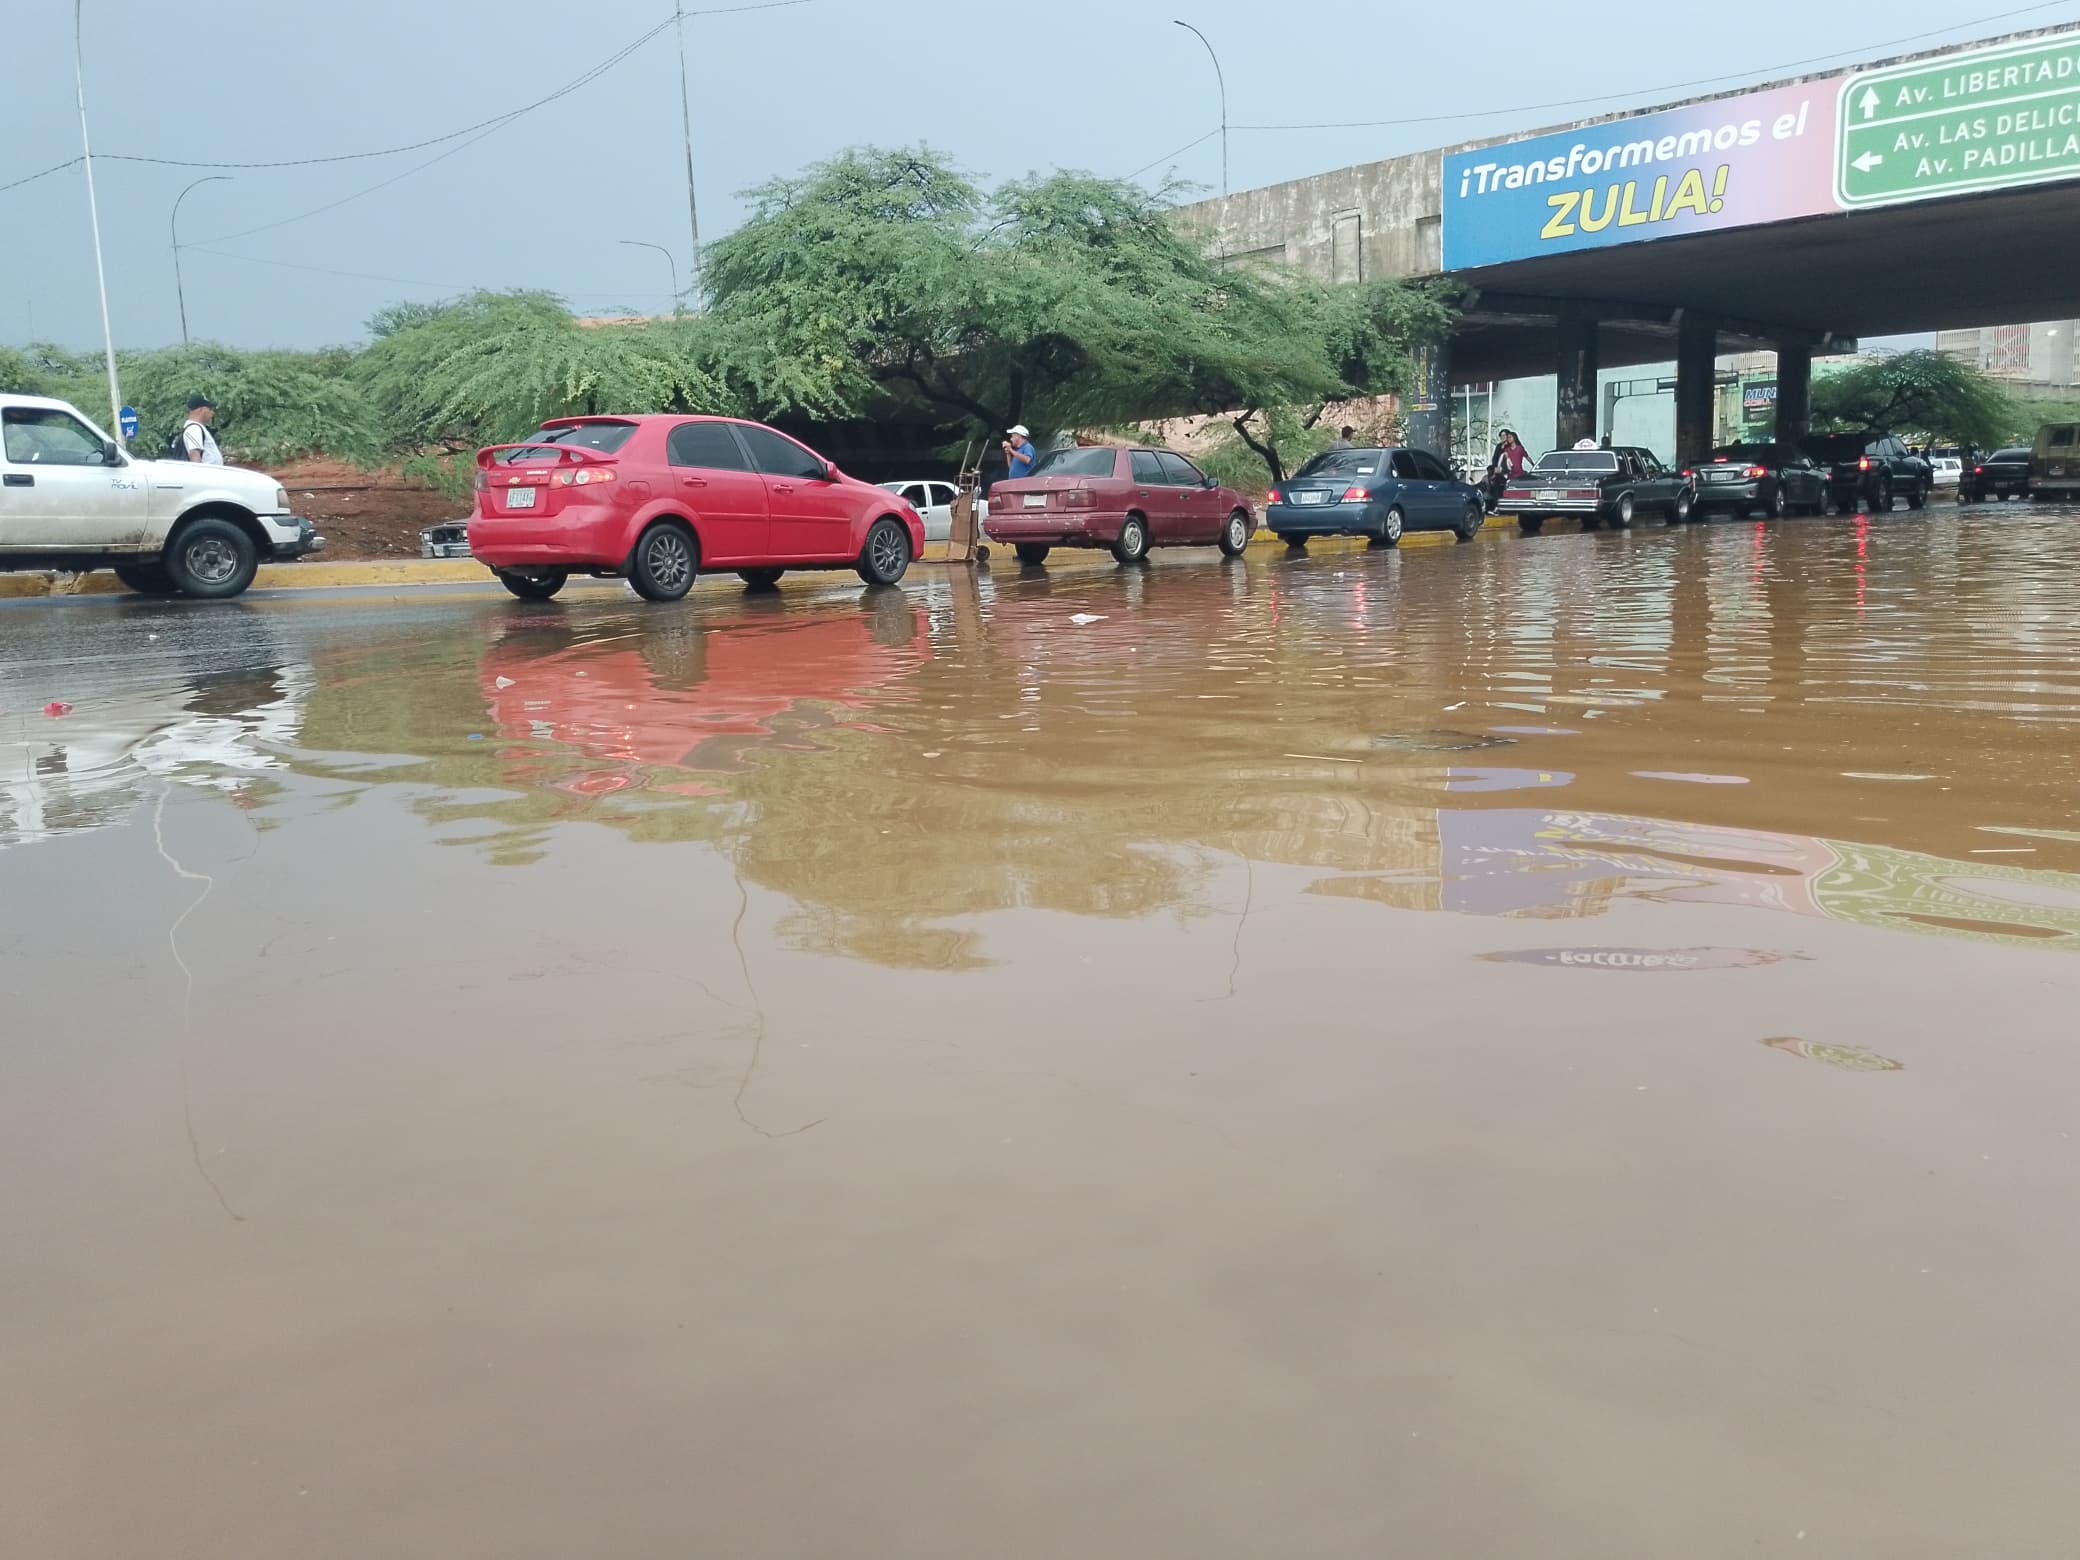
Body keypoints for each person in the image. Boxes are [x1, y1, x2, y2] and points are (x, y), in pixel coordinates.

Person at [179, 394, 223, 465]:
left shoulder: (198, 427)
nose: (212, 413)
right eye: (209, 409)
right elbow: (194, 453)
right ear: (201, 410)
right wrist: (198, 474)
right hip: (205, 474)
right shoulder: (194, 428)